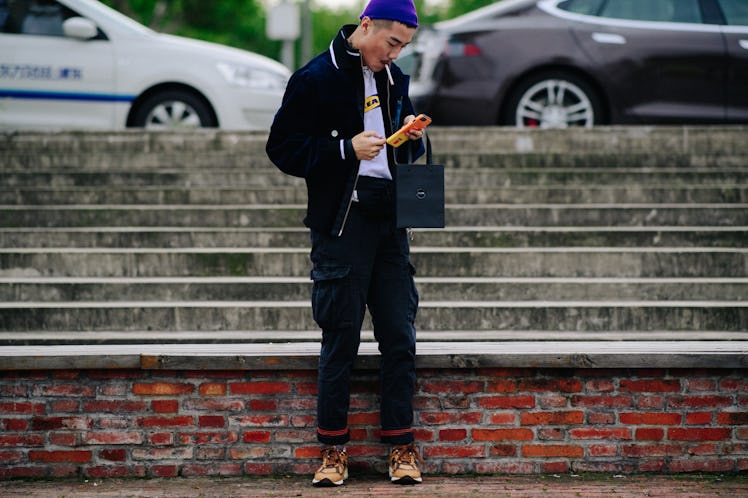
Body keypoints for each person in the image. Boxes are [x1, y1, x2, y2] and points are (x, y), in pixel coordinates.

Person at [266, 0, 425, 488]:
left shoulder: (394, 79)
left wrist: (411, 136)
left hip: (390, 220)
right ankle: (332, 451)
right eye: (391, 43)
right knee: (341, 339)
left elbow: (395, 142)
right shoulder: (314, 77)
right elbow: (281, 147)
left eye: (404, 47)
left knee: (399, 334)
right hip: (341, 224)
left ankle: (402, 448)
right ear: (366, 26)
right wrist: (343, 149)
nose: (395, 55)